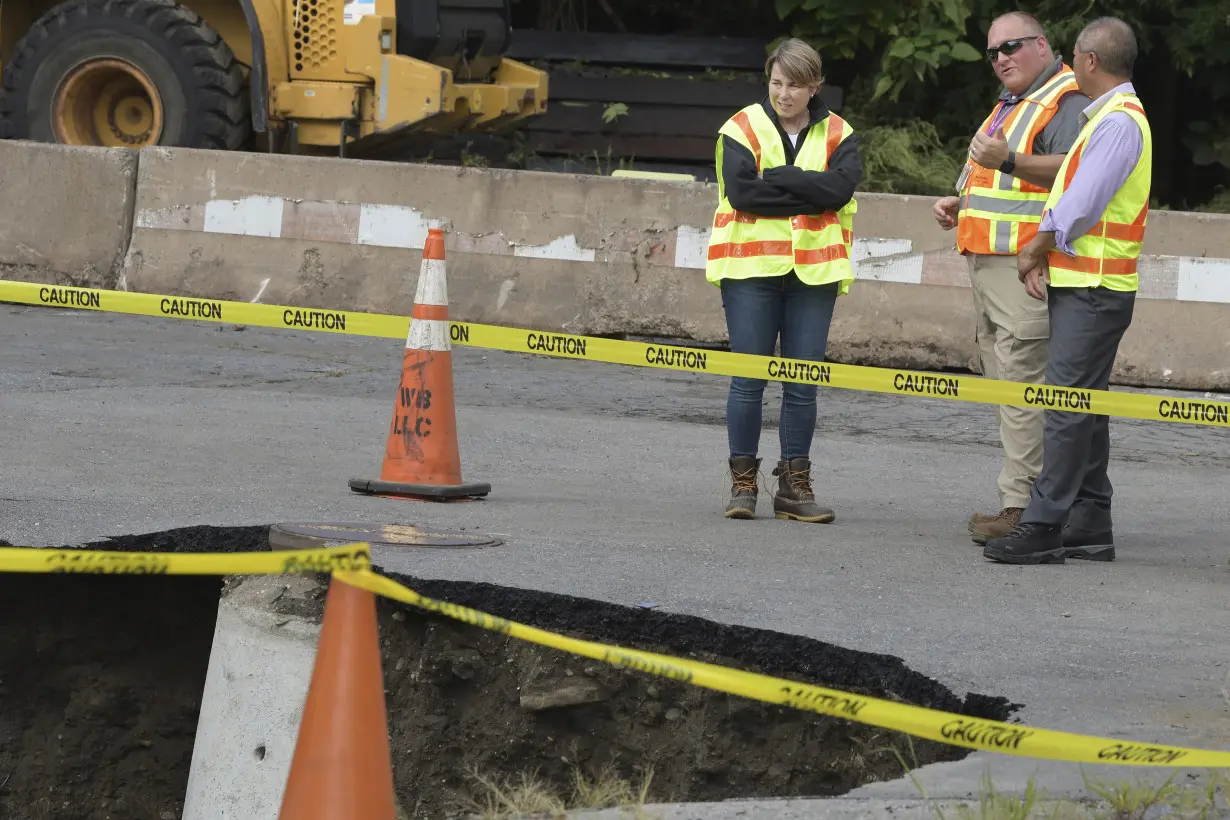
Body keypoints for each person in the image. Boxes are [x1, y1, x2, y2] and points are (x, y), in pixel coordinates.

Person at [985, 16, 1151, 565]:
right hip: (1092, 283)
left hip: (1095, 287)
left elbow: (1080, 203)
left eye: (1075, 55)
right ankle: (1089, 519)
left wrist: (1036, 248)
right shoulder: (1108, 117)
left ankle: (1043, 525)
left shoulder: (1116, 123)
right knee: (1086, 407)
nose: (1071, 62)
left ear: (1090, 62)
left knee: (1064, 406)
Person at [932, 11, 1088, 546]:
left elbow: (1076, 169)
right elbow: (995, 171)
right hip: (992, 265)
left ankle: (1024, 507)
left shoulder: (1065, 98)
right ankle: (1027, 501)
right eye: (993, 52)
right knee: (1012, 389)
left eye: (1012, 46)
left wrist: (1009, 162)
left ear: (1043, 45)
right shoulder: (1012, 102)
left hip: (1024, 267)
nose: (1000, 58)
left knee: (1024, 389)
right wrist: (961, 200)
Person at [705, 37, 861, 523]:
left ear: (814, 87)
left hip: (813, 273)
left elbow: (841, 189)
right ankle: (743, 484)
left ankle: (794, 486)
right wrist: (811, 190)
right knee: (748, 380)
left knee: (803, 385)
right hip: (750, 270)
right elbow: (744, 194)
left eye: (795, 85)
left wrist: (782, 176)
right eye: (777, 82)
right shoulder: (742, 126)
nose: (784, 93)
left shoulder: (839, 132)